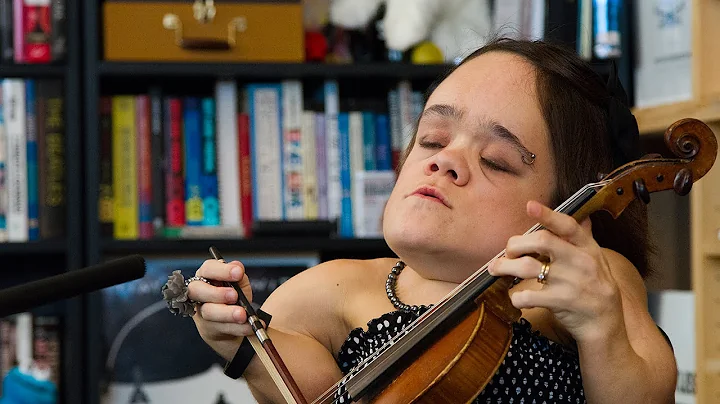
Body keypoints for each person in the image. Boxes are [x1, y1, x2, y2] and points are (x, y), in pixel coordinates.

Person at [181, 37, 678, 403]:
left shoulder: (589, 281)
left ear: (568, 205)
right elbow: (316, 395)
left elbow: (648, 395)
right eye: (433, 140)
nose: (444, 161)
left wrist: (600, 325)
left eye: (497, 161)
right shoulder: (332, 288)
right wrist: (237, 339)